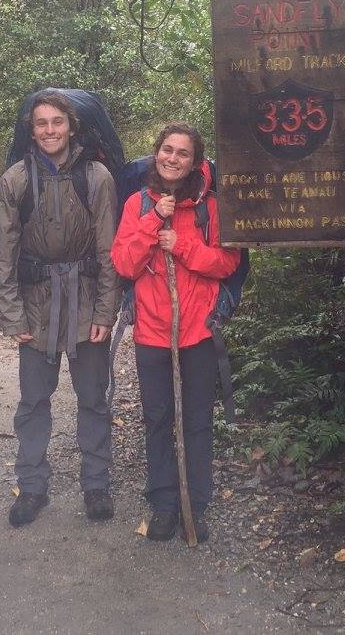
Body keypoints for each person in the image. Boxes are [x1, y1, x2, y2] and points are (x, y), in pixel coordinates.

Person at [0, 91, 119, 526]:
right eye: (41, 123)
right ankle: (31, 486)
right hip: (36, 306)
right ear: (32, 130)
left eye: (57, 122)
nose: (49, 130)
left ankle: (96, 484)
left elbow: (108, 251)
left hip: (85, 305)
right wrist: (12, 316)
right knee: (32, 402)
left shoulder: (97, 177)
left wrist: (105, 312)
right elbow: (3, 255)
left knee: (93, 400)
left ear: (71, 126)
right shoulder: (14, 180)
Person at [111, 122, 240, 543]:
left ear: (195, 162)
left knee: (197, 421)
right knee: (157, 419)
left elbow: (227, 264)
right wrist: (153, 226)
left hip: (198, 330)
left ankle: (194, 504)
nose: (172, 158)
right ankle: (165, 503)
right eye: (167, 150)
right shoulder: (137, 204)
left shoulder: (211, 209)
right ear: (156, 153)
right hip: (151, 331)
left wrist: (180, 245)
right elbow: (124, 265)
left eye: (183, 153)